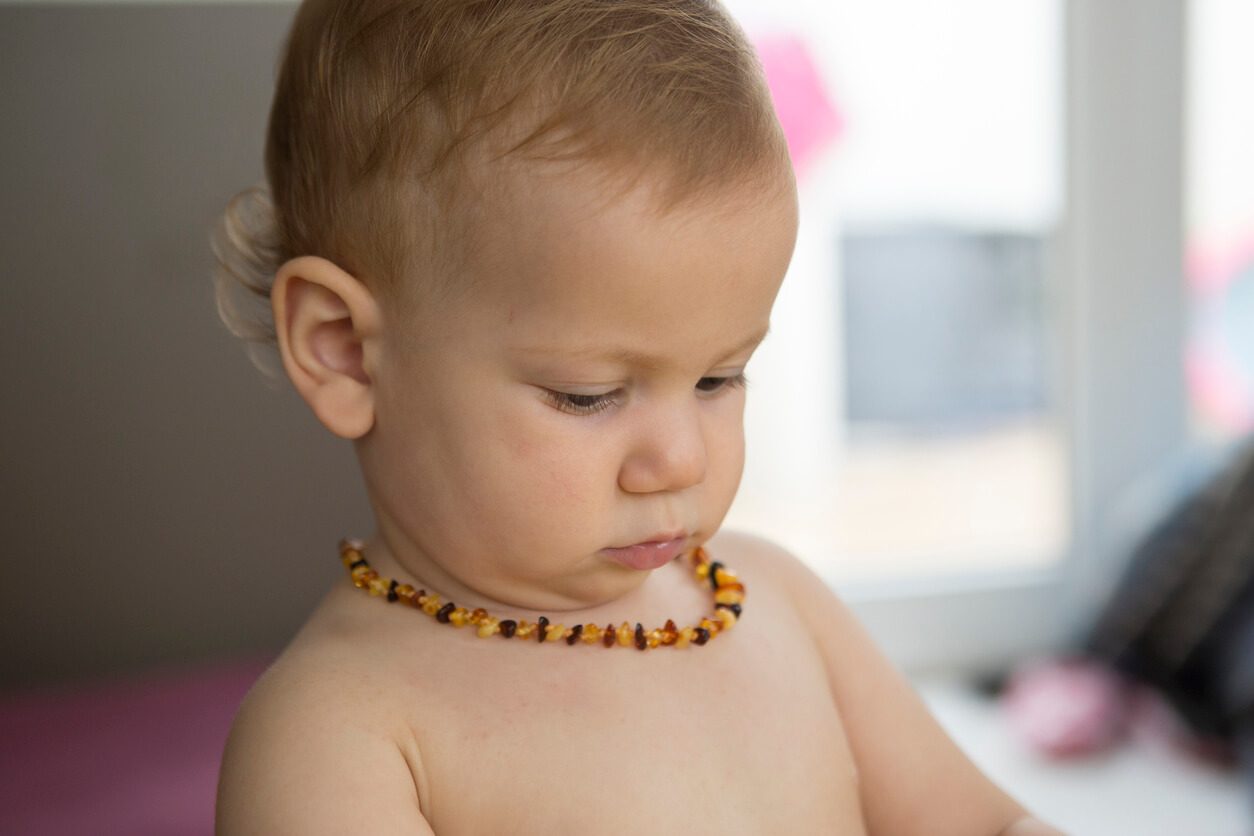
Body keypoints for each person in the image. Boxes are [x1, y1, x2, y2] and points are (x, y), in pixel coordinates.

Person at [213, 0, 1067, 832]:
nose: (682, 460)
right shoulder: (341, 736)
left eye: (719, 378)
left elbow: (985, 822)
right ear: (345, 352)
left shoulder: (774, 601)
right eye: (589, 394)